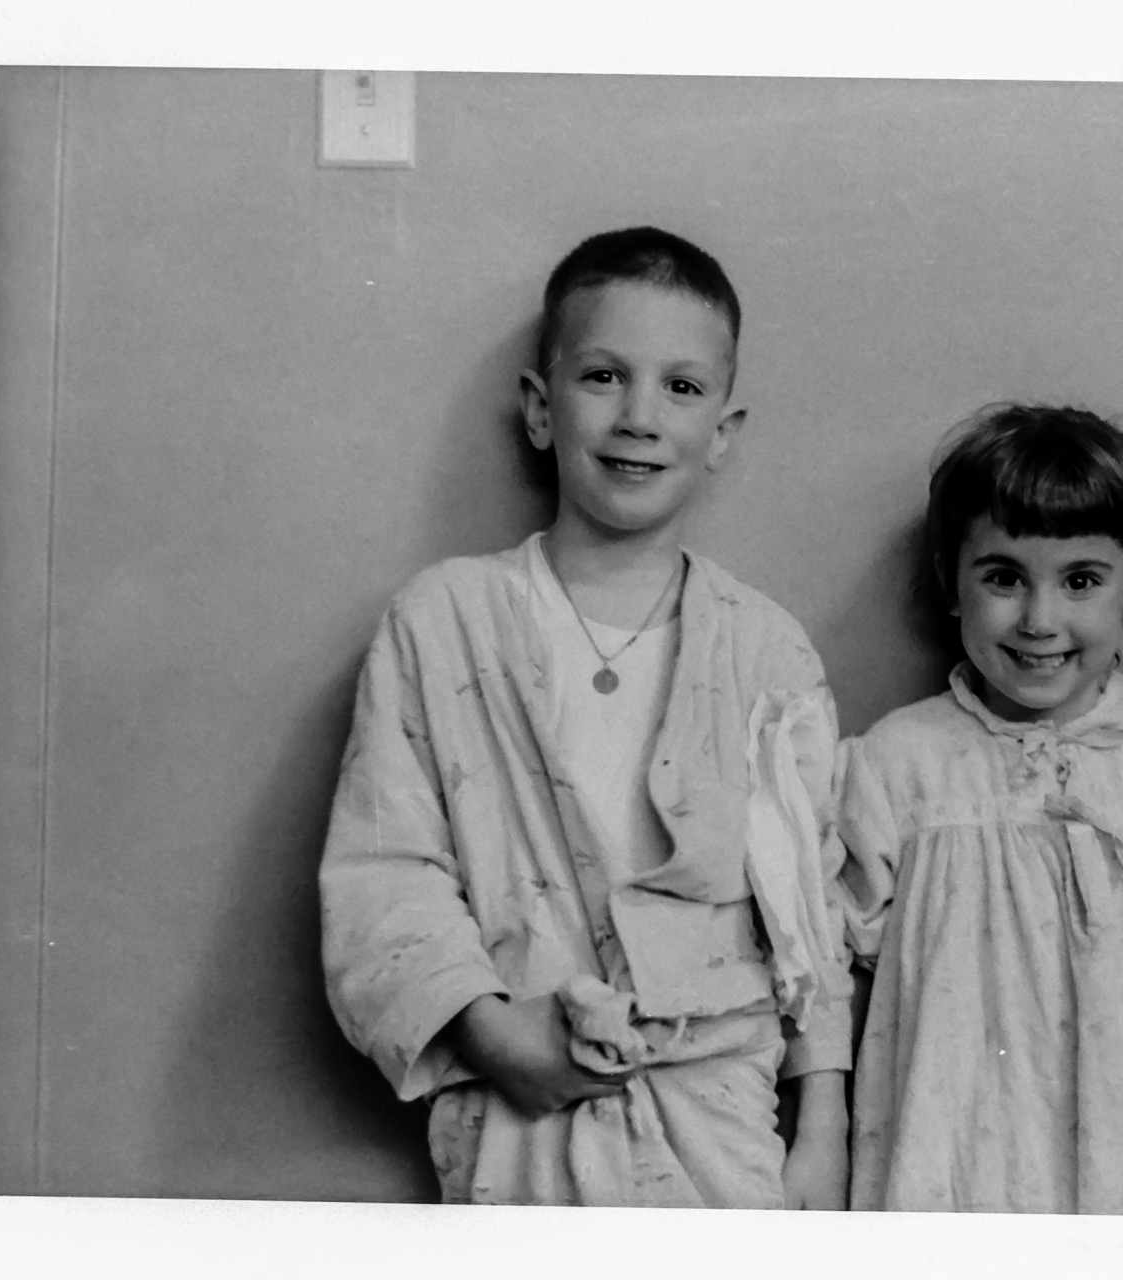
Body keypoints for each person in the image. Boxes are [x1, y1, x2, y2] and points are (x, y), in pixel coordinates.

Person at [320, 227, 852, 1209]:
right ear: (540, 406)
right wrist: (489, 1032)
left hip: (720, 1126)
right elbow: (385, 870)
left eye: (681, 388)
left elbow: (807, 906)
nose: (639, 417)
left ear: (723, 432)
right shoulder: (445, 620)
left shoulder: (765, 649)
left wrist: (822, 1127)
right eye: (604, 377)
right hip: (517, 1114)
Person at [836, 403, 1123, 1215]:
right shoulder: (896, 771)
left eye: (1081, 581)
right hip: (961, 1180)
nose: (1040, 621)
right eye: (1004, 577)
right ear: (950, 582)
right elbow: (858, 1011)